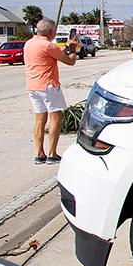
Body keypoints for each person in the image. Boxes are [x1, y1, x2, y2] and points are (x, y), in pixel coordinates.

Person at [24, 19, 78, 165]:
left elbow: (52, 54)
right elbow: (70, 61)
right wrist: (72, 49)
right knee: (56, 118)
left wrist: (65, 46)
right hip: (48, 85)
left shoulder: (29, 43)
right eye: (54, 30)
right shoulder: (47, 45)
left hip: (33, 86)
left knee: (40, 120)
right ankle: (52, 154)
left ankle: (39, 154)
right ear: (49, 32)